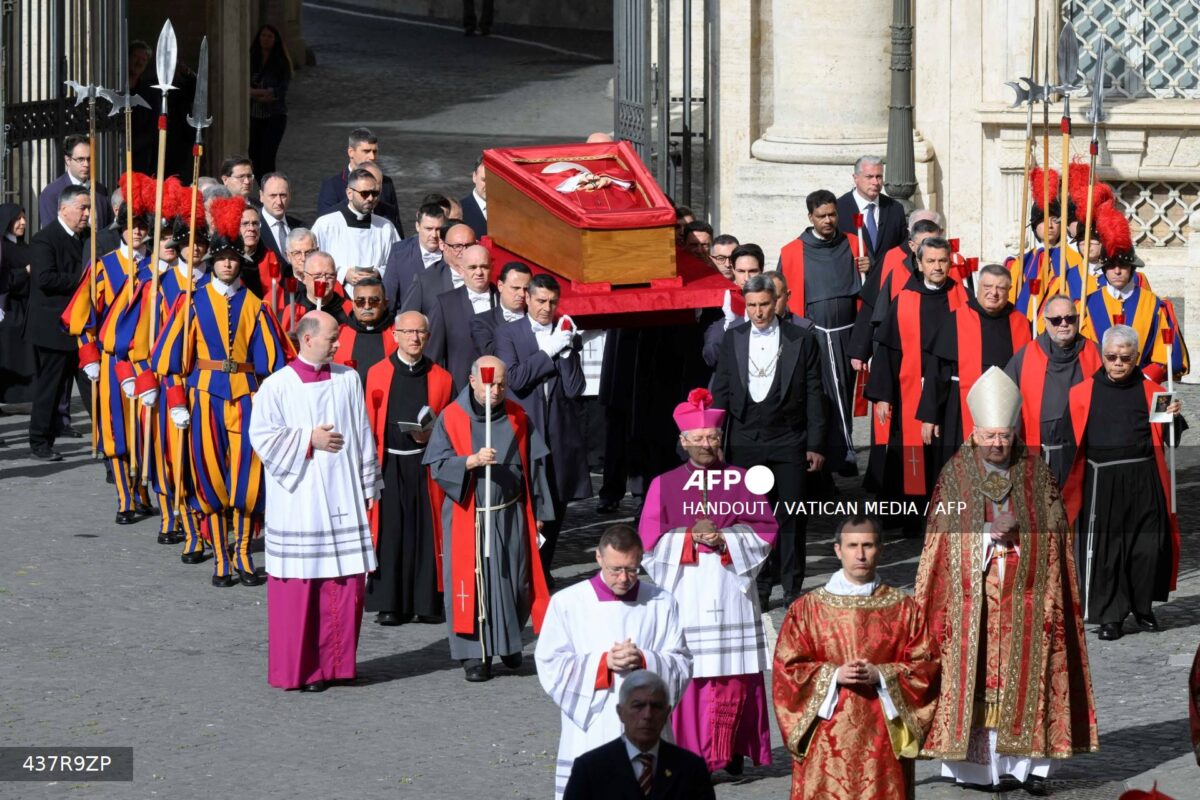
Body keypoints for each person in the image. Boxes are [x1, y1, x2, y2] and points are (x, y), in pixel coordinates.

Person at [916, 366, 1097, 795]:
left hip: (1029, 598)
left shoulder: (1037, 473)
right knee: (977, 681)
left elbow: (1057, 533)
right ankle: (980, 771)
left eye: (1004, 435)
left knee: (1034, 678)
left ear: (1014, 432)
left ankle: (1030, 768)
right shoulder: (955, 476)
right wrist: (982, 534)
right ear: (975, 432)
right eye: (989, 435)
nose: (997, 443)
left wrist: (1022, 535)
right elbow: (939, 541)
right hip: (972, 599)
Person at [152, 195, 293, 587]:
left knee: (248, 478)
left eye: (233, 257)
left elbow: (274, 363)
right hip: (204, 397)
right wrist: (178, 402)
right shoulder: (190, 303)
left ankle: (245, 553)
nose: (228, 263)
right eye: (222, 257)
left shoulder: (256, 304)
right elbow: (169, 362)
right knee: (209, 477)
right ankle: (221, 559)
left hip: (247, 397)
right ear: (211, 262)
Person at [638, 388, 777, 776]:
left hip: (731, 588)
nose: (706, 444)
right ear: (682, 441)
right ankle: (694, 755)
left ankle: (731, 750)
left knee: (735, 677)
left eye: (712, 438)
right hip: (688, 591)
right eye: (698, 439)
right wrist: (688, 538)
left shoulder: (744, 480)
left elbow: (766, 530)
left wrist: (725, 538)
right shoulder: (663, 485)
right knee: (692, 677)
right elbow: (647, 542)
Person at [248, 311, 379, 692]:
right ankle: (302, 670)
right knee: (301, 586)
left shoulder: (348, 379)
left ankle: (338, 665)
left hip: (342, 494)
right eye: (332, 338)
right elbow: (262, 436)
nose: (338, 344)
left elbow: (361, 429)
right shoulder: (277, 385)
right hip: (300, 499)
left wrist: (368, 484)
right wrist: (308, 439)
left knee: (343, 582)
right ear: (307, 340)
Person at [774, 516, 938, 800]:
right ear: (838, 550)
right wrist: (833, 675)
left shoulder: (904, 608)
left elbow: (926, 665)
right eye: (852, 546)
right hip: (825, 738)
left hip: (883, 737)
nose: (860, 554)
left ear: (881, 549)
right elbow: (787, 670)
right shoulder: (807, 609)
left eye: (868, 545)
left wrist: (882, 675)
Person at [535, 524, 692, 800]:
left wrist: (644, 659)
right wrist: (603, 664)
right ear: (598, 558)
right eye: (615, 569)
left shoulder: (662, 602)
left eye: (632, 569)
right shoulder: (567, 603)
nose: (623, 578)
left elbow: (681, 662)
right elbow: (551, 663)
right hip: (594, 725)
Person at [423, 355, 554, 681]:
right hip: (470, 514)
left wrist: (540, 511)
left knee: (513, 580)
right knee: (470, 583)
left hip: (509, 514)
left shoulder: (517, 417)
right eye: (487, 383)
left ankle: (508, 643)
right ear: (471, 381)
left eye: (500, 384)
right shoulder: (451, 418)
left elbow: (535, 466)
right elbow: (437, 466)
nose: (494, 390)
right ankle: (473, 656)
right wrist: (469, 461)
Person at [710, 273, 826, 608]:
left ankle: (791, 586)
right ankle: (760, 585)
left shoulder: (800, 339)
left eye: (764, 304)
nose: (758, 312)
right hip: (746, 437)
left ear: (775, 302)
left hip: (788, 437)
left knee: (790, 514)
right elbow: (722, 389)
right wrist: (716, 436)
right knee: (751, 516)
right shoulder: (733, 338)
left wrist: (815, 444)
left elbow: (816, 394)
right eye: (752, 306)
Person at [1063, 324, 1183, 640]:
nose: (1117, 363)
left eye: (1124, 358)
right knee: (1108, 551)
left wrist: (1174, 416)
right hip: (1101, 480)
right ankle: (1111, 617)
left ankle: (1142, 609)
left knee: (1146, 548)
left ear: (1137, 358)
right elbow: (1068, 440)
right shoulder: (1081, 393)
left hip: (1144, 477)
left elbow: (1170, 442)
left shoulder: (1154, 393)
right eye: (1111, 356)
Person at [61, 173, 155, 523]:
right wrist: (88, 358)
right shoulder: (103, 267)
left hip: (147, 363)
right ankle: (125, 498)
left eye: (143, 225)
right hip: (113, 360)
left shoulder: (159, 270)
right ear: (121, 228)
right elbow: (82, 318)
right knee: (116, 431)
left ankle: (144, 489)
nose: (138, 231)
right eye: (132, 225)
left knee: (145, 430)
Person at [864, 236, 967, 535]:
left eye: (942, 261)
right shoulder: (905, 298)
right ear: (919, 264)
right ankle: (910, 518)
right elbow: (887, 350)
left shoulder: (962, 297)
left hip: (949, 391)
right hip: (910, 388)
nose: (937, 266)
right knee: (910, 454)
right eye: (931, 261)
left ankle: (945, 512)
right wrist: (882, 395)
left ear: (950, 262)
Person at [495, 273, 591, 579]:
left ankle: (544, 567)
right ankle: (524, 568)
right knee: (527, 499)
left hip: (559, 432)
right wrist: (548, 350)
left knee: (557, 500)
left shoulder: (565, 333)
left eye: (552, 302)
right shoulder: (508, 333)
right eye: (540, 301)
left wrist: (566, 351)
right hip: (524, 430)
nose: (546, 308)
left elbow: (575, 388)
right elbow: (517, 380)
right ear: (528, 299)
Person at [365, 310, 454, 625]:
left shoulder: (442, 378)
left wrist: (432, 434)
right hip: (388, 463)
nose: (415, 338)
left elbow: (451, 425)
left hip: (424, 465)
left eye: (421, 333)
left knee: (425, 532)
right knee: (391, 532)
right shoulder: (376, 373)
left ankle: (426, 602)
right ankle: (390, 603)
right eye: (409, 332)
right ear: (395, 335)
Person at [779, 189, 869, 476]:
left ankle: (840, 451)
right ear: (810, 217)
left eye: (832, 214)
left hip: (848, 333)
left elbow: (870, 285)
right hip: (815, 334)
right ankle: (840, 454)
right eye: (822, 216)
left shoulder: (854, 243)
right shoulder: (793, 250)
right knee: (825, 397)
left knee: (844, 392)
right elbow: (783, 295)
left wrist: (871, 265)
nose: (828, 220)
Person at [918, 263, 1032, 474]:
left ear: (1009, 290)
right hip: (960, 410)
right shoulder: (956, 319)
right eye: (988, 286)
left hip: (1006, 415)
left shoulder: (1021, 323)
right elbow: (937, 372)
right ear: (978, 287)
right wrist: (930, 416)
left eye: (1001, 288)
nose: (994, 293)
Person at [563, 670, 715, 800]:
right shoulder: (590, 769)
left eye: (656, 707)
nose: (647, 715)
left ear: (667, 713)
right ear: (620, 712)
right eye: (638, 706)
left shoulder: (691, 768)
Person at [1003, 295, 1102, 485]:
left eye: (1070, 318)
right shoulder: (1025, 356)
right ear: (1045, 322)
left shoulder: (1096, 353)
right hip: (1041, 455)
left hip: (1083, 455)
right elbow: (1005, 401)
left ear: (1078, 319)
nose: (1063, 324)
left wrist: (1164, 409)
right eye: (1056, 320)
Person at [28, 186, 92, 461]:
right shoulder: (45, 239)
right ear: (63, 209)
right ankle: (40, 442)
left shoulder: (87, 238)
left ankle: (105, 437)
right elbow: (44, 278)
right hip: (52, 327)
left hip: (81, 325)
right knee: (50, 387)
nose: (87, 214)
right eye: (82, 208)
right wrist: (82, 280)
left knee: (90, 383)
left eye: (89, 208)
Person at [1080, 239, 1188, 383]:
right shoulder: (1087, 305)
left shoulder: (1154, 304)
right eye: (1111, 266)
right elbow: (1084, 351)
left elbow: (1165, 352)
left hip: (1142, 383)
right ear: (1104, 269)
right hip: (1099, 383)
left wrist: (1146, 378)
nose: (1117, 271)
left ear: (1132, 268)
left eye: (1123, 266)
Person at [847, 214, 942, 368]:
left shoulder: (948, 265)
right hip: (898, 347)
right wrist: (860, 350)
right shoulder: (892, 260)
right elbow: (872, 306)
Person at [1010, 167, 1083, 319]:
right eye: (1043, 221)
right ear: (1034, 226)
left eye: (1054, 221)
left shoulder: (1077, 260)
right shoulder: (1021, 263)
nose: (1049, 226)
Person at [310, 168, 400, 289]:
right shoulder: (326, 224)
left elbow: (398, 263)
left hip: (375, 298)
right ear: (349, 193)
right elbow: (311, 262)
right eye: (364, 193)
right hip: (336, 298)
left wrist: (378, 273)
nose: (370, 198)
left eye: (374, 193)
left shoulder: (386, 227)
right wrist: (343, 274)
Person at [428, 244, 497, 390]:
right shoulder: (444, 304)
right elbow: (434, 357)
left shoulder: (504, 300)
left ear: (492, 267)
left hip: (500, 391)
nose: (479, 272)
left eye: (484, 266)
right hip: (459, 393)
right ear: (461, 270)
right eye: (472, 267)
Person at [836, 155, 907, 268]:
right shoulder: (839, 209)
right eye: (869, 177)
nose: (875, 182)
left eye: (879, 176)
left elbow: (903, 249)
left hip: (885, 281)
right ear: (856, 178)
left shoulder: (895, 209)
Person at [316, 127, 402, 220]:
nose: (372, 157)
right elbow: (325, 223)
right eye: (366, 151)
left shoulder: (386, 183)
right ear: (351, 152)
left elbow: (395, 222)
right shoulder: (332, 185)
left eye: (375, 151)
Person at [701, 243, 762, 370]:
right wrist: (729, 324)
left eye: (752, 271)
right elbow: (711, 356)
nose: (747, 278)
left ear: (761, 271)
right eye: (741, 271)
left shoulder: (774, 305)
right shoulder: (721, 310)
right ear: (733, 270)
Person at [401, 221, 476, 318]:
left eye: (469, 246)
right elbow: (407, 321)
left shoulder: (485, 275)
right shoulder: (425, 281)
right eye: (457, 246)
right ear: (443, 245)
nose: (464, 252)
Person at [38, 134, 112, 230]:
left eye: (89, 159)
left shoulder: (100, 190)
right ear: (68, 160)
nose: (86, 164)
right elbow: (50, 234)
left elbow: (106, 229)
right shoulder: (51, 193)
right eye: (80, 159)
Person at [382, 202, 446, 311]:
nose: (434, 235)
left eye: (438, 229)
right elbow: (388, 299)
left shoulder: (452, 253)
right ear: (417, 226)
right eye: (428, 229)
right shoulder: (399, 256)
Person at [0, 204, 35, 404]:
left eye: (24, 218)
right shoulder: (3, 247)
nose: (23, 222)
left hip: (26, 308)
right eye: (17, 218)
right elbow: (5, 279)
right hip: (9, 308)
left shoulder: (26, 247)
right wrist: (26, 272)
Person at [248, 24, 293, 177]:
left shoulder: (281, 62)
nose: (265, 39)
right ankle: (264, 188)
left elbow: (280, 91)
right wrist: (262, 93)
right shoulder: (251, 59)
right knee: (254, 155)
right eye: (263, 35)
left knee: (267, 157)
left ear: (275, 40)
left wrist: (254, 93)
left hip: (275, 116)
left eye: (269, 36)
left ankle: (269, 190)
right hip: (254, 115)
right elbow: (244, 88)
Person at [334, 276, 396, 383]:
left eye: (374, 301)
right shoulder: (338, 333)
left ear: (385, 304)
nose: (367, 306)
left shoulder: (398, 334)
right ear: (353, 304)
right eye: (360, 301)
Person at [471, 261, 531, 357]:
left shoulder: (540, 319)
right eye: (516, 288)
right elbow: (491, 357)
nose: (522, 294)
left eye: (526, 289)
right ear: (500, 286)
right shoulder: (481, 322)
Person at [282, 251, 351, 330]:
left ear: (335, 277)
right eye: (317, 276)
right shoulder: (291, 309)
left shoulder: (349, 311)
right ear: (304, 277)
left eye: (329, 276)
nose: (323, 281)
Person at [258, 172, 305, 269]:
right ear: (261, 196)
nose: (279, 202)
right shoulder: (253, 228)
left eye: (283, 195)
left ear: (290, 195)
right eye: (273, 196)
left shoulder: (300, 227)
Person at [460, 156, 488, 238]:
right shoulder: (460, 210)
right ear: (474, 177)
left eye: (493, 180)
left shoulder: (509, 209)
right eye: (484, 180)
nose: (489, 185)